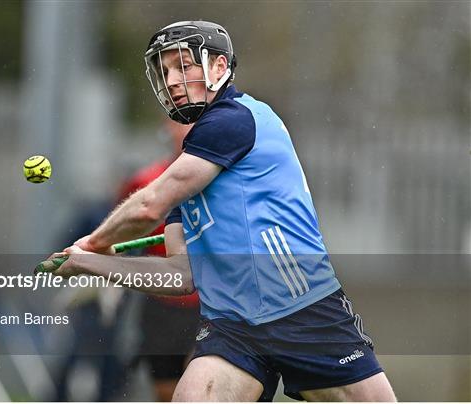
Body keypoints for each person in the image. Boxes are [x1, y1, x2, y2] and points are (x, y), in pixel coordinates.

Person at [44, 21, 396, 401]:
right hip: (234, 329)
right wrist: (89, 263)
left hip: (302, 312)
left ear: (219, 67)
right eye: (165, 71)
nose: (173, 80)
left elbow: (148, 208)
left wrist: (94, 242)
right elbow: (181, 275)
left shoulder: (234, 118)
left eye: (184, 66)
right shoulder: (192, 167)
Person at [116, 120, 200, 401]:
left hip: (209, 306)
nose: (187, 132)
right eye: (180, 125)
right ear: (168, 129)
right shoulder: (144, 183)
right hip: (161, 306)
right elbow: (120, 240)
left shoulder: (222, 182)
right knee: (167, 393)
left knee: (200, 386)